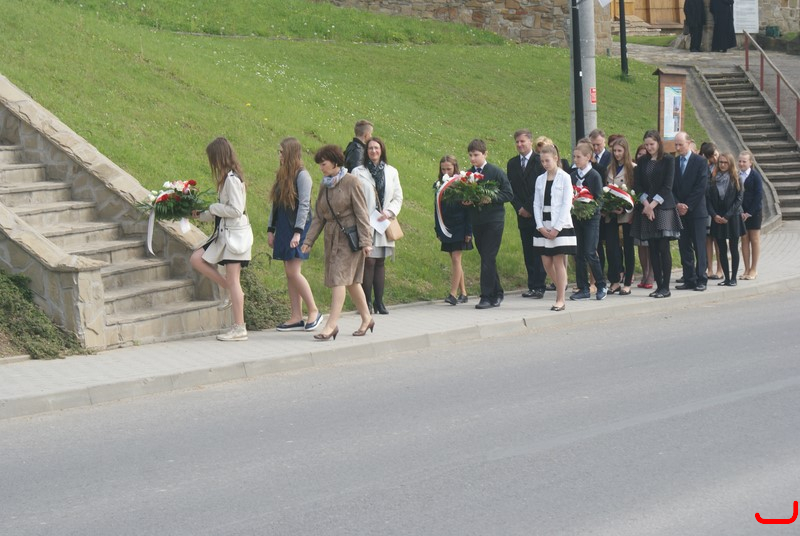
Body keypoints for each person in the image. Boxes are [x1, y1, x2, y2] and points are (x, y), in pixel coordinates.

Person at [300, 145, 374, 341]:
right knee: (351, 282)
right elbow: (319, 216)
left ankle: (331, 325)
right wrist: (309, 240)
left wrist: (366, 241)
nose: (321, 168)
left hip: (349, 238)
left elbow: (362, 213)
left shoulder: (352, 182)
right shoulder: (325, 185)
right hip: (331, 238)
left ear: (334, 162)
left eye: (323, 164)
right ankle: (367, 318)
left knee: (339, 279)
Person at [190, 137, 251, 342]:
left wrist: (213, 208)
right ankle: (228, 289)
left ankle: (239, 327)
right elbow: (223, 211)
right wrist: (200, 215)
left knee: (234, 281)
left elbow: (236, 210)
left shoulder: (232, 179)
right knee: (197, 259)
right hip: (226, 234)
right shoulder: (228, 178)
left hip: (234, 237)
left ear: (219, 157)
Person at [267, 137, 323, 332]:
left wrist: (298, 233)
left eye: (282, 152)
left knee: (293, 271)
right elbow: (275, 205)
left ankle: (314, 310)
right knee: (289, 273)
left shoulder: (303, 176)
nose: (280, 155)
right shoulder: (282, 174)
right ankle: (296, 316)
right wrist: (271, 229)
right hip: (284, 226)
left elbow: (304, 206)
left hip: (298, 227)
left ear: (290, 153)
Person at [352, 137, 403, 315]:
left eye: (376, 148)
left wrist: (389, 212)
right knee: (369, 261)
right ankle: (365, 302)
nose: (373, 151)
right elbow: (354, 196)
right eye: (370, 148)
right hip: (365, 222)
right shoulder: (358, 172)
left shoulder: (391, 172)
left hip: (382, 222)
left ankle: (379, 302)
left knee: (380, 262)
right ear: (366, 151)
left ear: (382, 150)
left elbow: (398, 197)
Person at [464, 139, 514, 309]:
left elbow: (508, 194)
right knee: (487, 258)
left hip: (494, 220)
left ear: (485, 154)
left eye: (476, 155)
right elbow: (465, 194)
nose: (473, 158)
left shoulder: (495, 171)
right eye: (470, 155)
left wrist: (491, 198)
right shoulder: (468, 174)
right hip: (477, 221)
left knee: (488, 256)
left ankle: (485, 296)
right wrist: (466, 201)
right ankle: (497, 293)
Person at [631, 130, 681, 298]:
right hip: (647, 208)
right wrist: (646, 204)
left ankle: (665, 287)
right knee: (652, 247)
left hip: (663, 207)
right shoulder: (642, 161)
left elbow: (667, 186)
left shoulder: (668, 160)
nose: (649, 147)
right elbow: (638, 185)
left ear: (658, 143)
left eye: (652, 144)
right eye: (646, 145)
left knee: (663, 247)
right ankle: (658, 285)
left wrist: (652, 205)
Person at [533, 144, 577, 311]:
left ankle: (560, 299)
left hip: (560, 224)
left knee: (558, 260)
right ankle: (561, 285)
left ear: (556, 158)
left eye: (547, 160)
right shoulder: (540, 179)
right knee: (546, 261)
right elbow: (536, 203)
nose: (545, 164)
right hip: (543, 224)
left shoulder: (565, 177)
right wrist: (539, 226)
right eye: (542, 161)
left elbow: (566, 203)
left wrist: (557, 228)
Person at [507, 129, 547, 299]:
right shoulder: (512, 163)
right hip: (521, 213)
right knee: (528, 251)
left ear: (530, 142)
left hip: (537, 213)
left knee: (539, 250)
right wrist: (519, 208)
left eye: (522, 141)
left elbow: (541, 188)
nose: (519, 144)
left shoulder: (539, 161)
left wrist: (529, 208)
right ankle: (532, 285)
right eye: (517, 142)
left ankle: (540, 286)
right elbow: (510, 189)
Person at [570, 141, 607, 301]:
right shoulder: (572, 175)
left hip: (591, 219)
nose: (575, 160)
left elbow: (599, 199)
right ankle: (583, 287)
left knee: (590, 252)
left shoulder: (594, 175)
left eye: (578, 157)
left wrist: (589, 209)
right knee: (578, 253)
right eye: (574, 157)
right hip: (576, 217)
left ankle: (601, 285)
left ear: (588, 157)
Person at [673, 131, 710, 292]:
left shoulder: (700, 161)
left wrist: (687, 205)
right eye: (676, 144)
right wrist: (677, 204)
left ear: (688, 143)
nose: (677, 148)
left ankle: (701, 278)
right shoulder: (674, 162)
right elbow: (671, 186)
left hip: (696, 211)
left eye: (680, 144)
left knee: (699, 246)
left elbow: (701, 186)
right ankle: (689, 278)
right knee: (684, 246)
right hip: (680, 211)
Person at [434, 155, 472, 304]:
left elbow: (468, 210)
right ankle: (464, 292)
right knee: (455, 260)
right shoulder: (439, 185)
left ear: (455, 168)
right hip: (446, 226)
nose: (446, 172)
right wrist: (438, 229)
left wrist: (469, 231)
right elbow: (437, 208)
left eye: (449, 169)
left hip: (460, 226)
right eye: (443, 169)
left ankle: (453, 294)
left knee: (456, 258)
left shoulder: (462, 183)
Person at [604, 137, 636, 295]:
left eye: (620, 151)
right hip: (611, 214)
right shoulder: (609, 168)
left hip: (626, 215)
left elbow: (634, 193)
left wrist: (624, 208)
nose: (617, 154)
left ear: (625, 151)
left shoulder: (632, 168)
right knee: (612, 249)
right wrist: (609, 206)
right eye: (615, 151)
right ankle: (615, 280)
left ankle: (628, 282)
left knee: (628, 248)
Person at [707, 152, 745, 285]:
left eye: (725, 162)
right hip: (717, 217)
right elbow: (708, 199)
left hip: (732, 217)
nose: (722, 165)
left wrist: (728, 215)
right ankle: (726, 278)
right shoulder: (713, 178)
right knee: (721, 249)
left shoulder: (736, 178)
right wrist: (714, 215)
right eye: (720, 162)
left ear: (730, 163)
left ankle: (733, 278)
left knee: (733, 247)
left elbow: (739, 199)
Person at [700, 142, 724, 280]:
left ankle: (720, 269)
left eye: (715, 154)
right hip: (707, 206)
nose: (715, 158)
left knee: (718, 239)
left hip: (719, 208)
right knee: (707, 238)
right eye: (711, 157)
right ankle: (709, 268)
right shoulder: (706, 167)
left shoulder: (723, 165)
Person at [738, 151, 763, 280]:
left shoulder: (755, 176)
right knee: (744, 239)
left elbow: (758, 196)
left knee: (754, 240)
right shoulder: (736, 175)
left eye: (744, 161)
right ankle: (746, 269)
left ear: (750, 162)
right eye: (740, 161)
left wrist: (749, 213)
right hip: (741, 213)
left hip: (754, 213)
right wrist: (740, 211)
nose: (741, 163)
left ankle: (754, 269)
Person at [634, 143, 655, 289]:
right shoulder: (637, 168)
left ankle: (652, 273)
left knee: (651, 243)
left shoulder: (655, 166)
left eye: (644, 153)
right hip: (640, 206)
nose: (641, 156)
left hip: (654, 206)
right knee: (641, 243)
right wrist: (643, 202)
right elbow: (637, 185)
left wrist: (650, 205)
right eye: (639, 154)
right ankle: (645, 272)